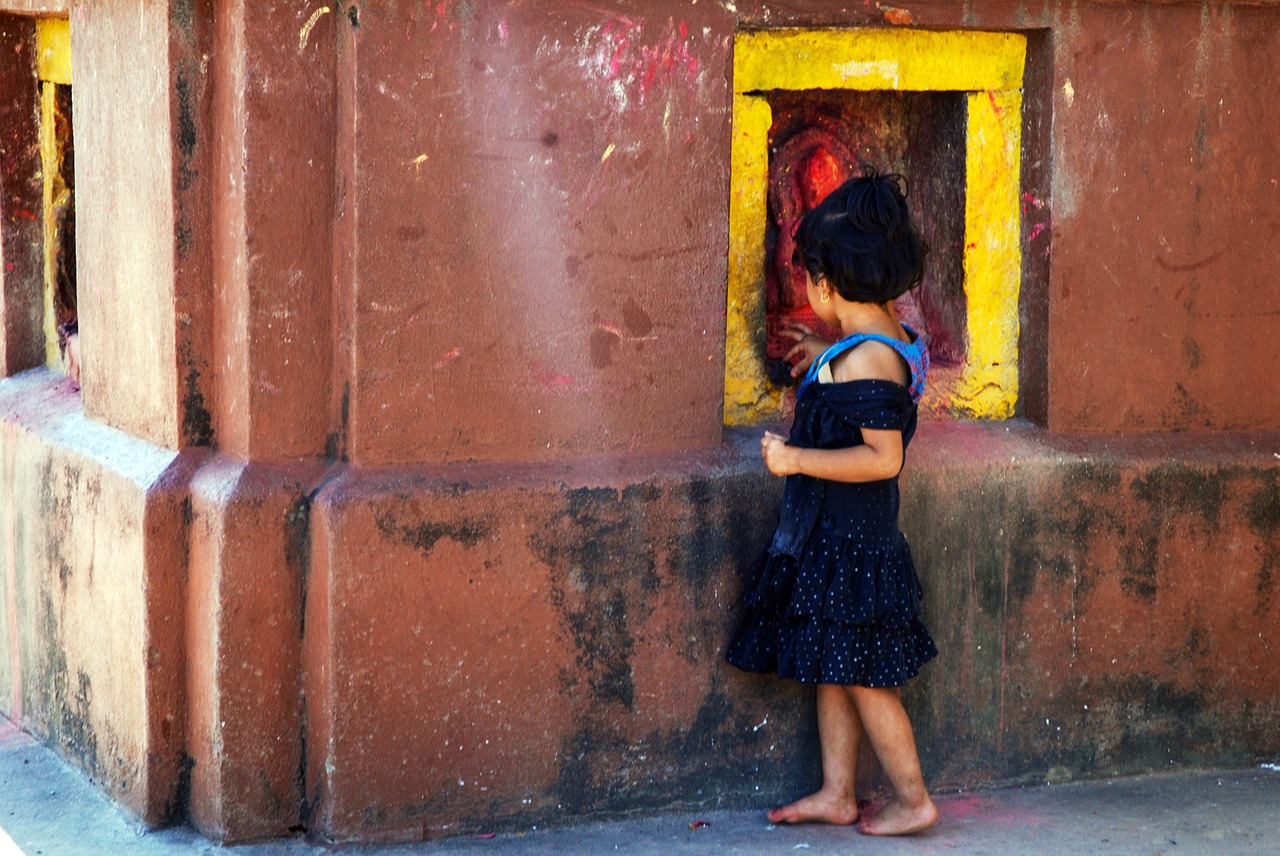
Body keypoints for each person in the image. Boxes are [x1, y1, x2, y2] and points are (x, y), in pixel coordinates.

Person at [726, 168, 939, 836]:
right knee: (834, 670)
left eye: (808, 277)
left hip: (854, 551)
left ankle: (913, 799)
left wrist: (795, 459)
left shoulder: (869, 361)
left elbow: (884, 457)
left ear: (826, 283)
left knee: (868, 682)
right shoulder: (880, 340)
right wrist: (825, 351)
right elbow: (861, 363)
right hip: (839, 546)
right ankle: (837, 792)